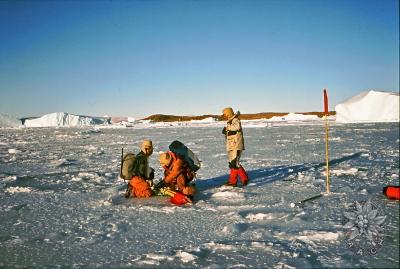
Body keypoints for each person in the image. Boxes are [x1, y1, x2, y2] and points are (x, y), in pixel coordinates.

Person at [222, 107, 249, 186]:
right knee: (232, 164)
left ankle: (244, 179)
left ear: (228, 113)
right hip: (231, 145)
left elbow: (236, 127)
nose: (225, 116)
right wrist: (226, 132)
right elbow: (232, 132)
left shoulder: (235, 120)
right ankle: (233, 181)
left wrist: (227, 129)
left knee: (235, 163)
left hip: (236, 145)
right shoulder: (230, 121)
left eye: (225, 114)